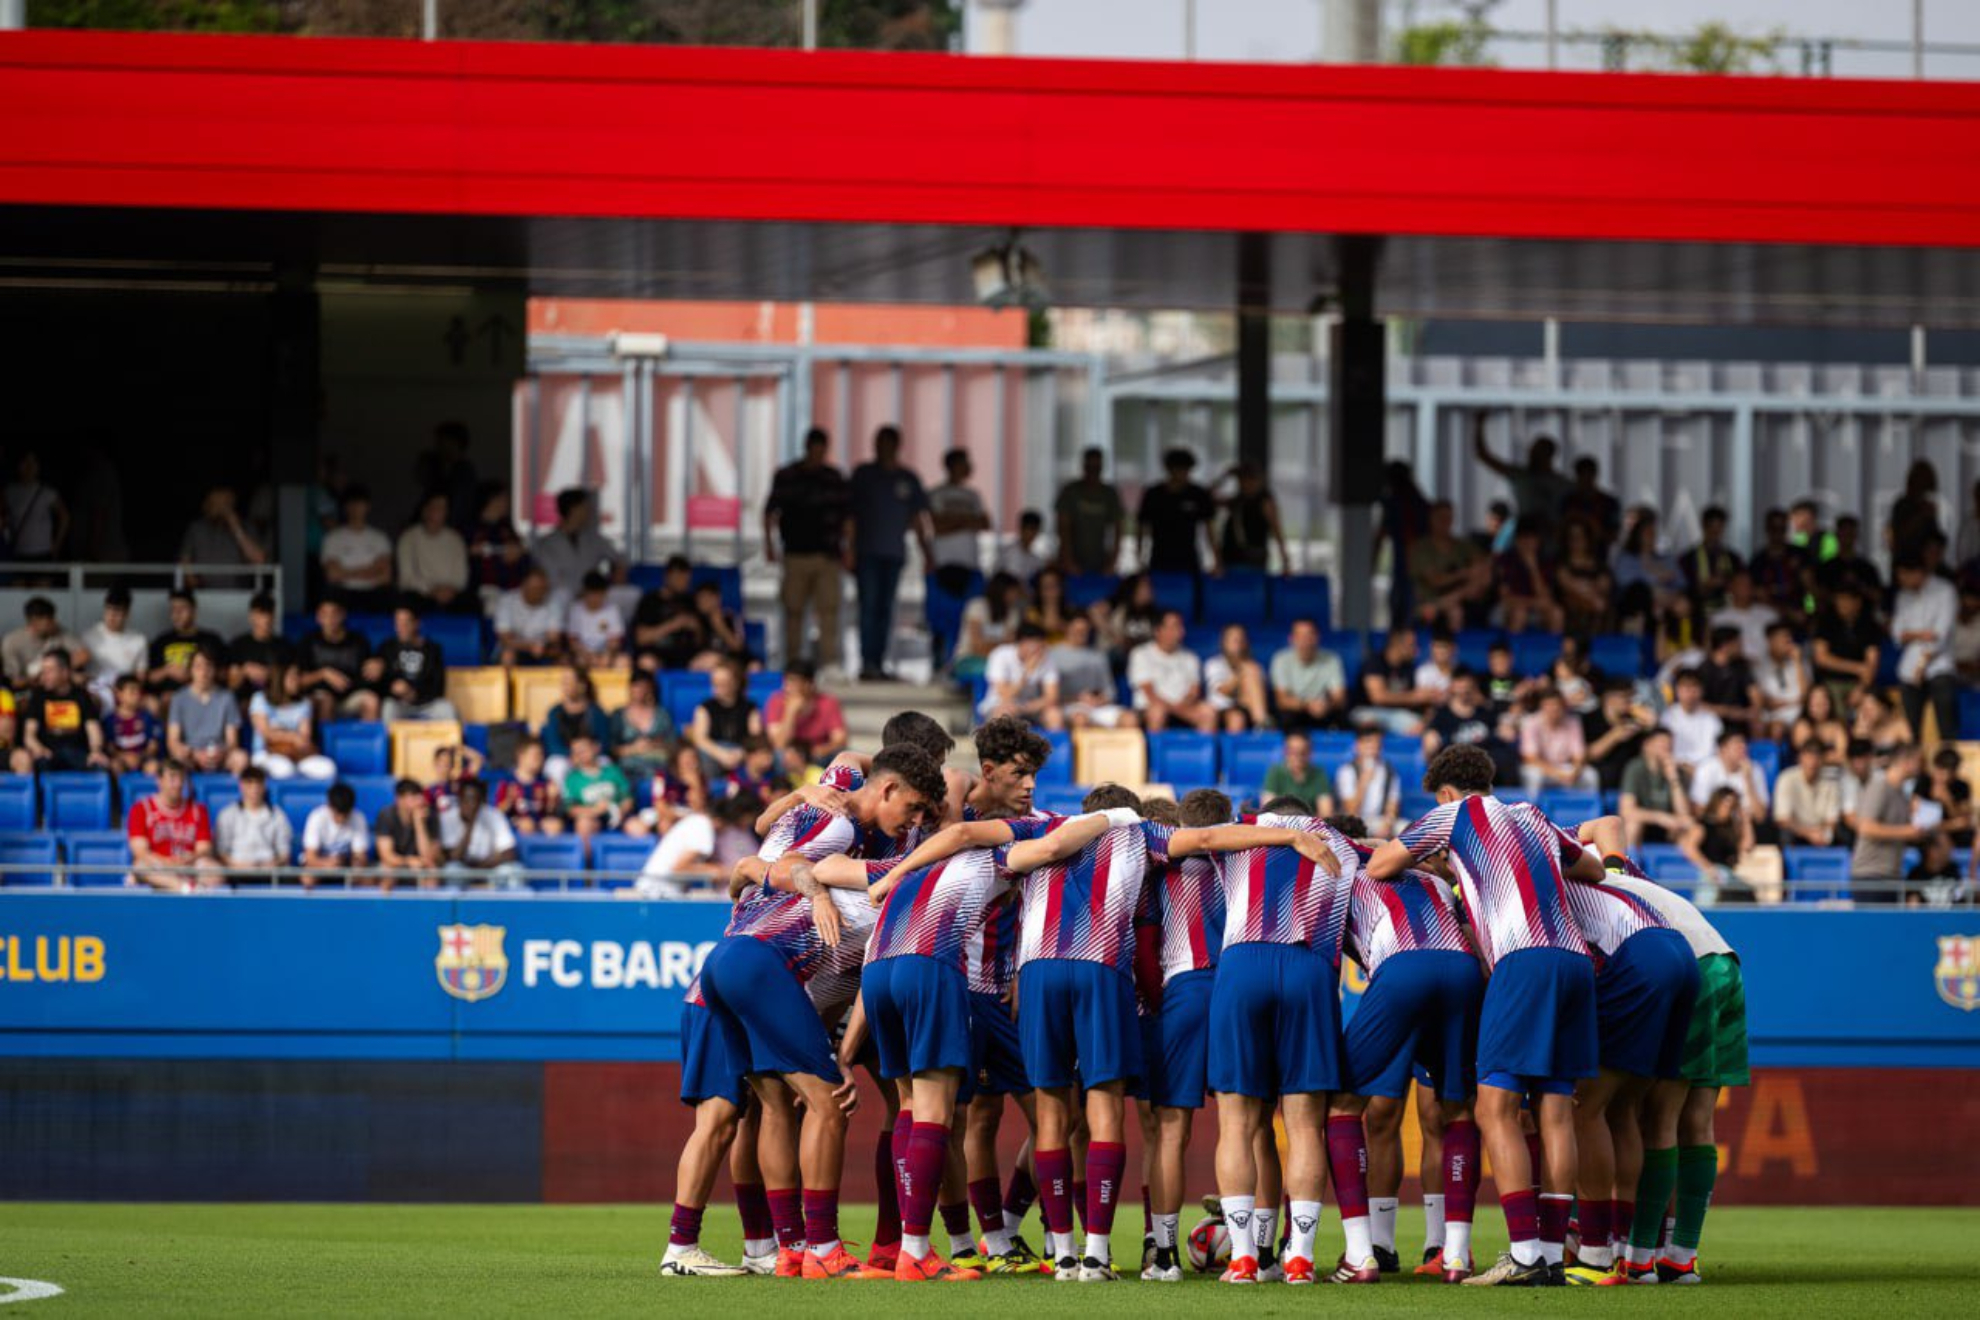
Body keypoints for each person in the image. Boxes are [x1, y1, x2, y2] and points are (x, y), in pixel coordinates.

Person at [669, 746, 941, 1280]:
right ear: (885, 788)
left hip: (731, 960)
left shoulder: (847, 828)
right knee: (821, 1105)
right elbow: (784, 864)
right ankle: (819, 1246)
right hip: (756, 962)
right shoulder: (854, 843)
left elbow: (757, 859)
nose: (915, 822)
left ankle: (783, 1248)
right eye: (912, 809)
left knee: (769, 1107)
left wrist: (835, 1053)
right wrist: (808, 887)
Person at [1365, 745, 1608, 1287]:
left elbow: (1381, 865)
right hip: (1573, 960)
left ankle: (1523, 1253)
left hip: (1520, 959)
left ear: (1447, 792)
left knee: (1493, 1107)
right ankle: (1547, 1251)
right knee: (1556, 1108)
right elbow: (1592, 869)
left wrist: (1442, 858)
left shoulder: (1452, 816)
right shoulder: (1532, 815)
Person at [1335, 852, 1485, 1283]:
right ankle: (1455, 1255)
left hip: (1400, 969)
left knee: (1344, 1104)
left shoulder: (1348, 881)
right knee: (1457, 1109)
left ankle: (1361, 1255)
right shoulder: (1434, 881)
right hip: (1461, 970)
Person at [1555, 845, 1700, 1285]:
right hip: (1680, 954)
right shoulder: (1582, 876)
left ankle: (1596, 1254)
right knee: (1624, 1111)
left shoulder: (1538, 890)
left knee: (1586, 1106)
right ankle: (1629, 1253)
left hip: (1639, 958)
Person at [846, 425, 933, 681]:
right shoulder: (863, 475)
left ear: (897, 446)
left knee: (886, 609)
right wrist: (849, 549)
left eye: (888, 443)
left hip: (893, 553)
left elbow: (918, 519)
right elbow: (850, 516)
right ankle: (867, 661)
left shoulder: (907, 478)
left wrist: (926, 552)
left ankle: (880, 661)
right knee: (868, 606)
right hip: (867, 552)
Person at [764, 427, 850, 671]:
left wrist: (849, 548)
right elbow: (770, 512)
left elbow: (848, 517)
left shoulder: (834, 478)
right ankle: (792, 662)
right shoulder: (787, 475)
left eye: (822, 451)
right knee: (793, 610)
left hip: (827, 555)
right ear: (807, 447)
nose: (818, 454)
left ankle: (830, 663)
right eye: (815, 450)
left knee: (829, 611)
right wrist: (769, 545)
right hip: (795, 554)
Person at [1891, 553, 1959, 743]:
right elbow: (1897, 634)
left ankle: (1948, 759)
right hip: (1909, 669)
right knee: (1911, 731)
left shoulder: (1945, 591)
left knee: (1946, 724)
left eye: (1904, 575)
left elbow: (1940, 635)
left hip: (1939, 665)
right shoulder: (1903, 596)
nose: (1901, 580)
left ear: (1918, 572)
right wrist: (1922, 634)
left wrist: (1921, 664)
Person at [127, 759, 223, 892]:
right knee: (140, 866)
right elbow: (140, 852)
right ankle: (184, 888)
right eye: (172, 778)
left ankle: (186, 888)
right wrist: (168, 862)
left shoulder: (197, 810)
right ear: (159, 781)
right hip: (158, 867)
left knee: (214, 870)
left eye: (181, 779)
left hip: (188, 867)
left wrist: (191, 857)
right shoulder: (141, 809)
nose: (178, 784)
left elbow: (204, 847)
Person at [1850, 744, 1927, 898]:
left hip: (1893, 874)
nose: (1923, 767)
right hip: (1870, 876)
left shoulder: (1903, 795)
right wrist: (1906, 831)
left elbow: (1909, 831)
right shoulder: (1879, 787)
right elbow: (1866, 827)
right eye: (1919, 761)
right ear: (1906, 762)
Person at [1470, 417, 1571, 525]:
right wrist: (1479, 424)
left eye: (1538, 453)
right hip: (1525, 532)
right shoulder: (1520, 476)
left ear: (1549, 456)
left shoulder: (1561, 483)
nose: (1533, 456)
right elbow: (1484, 455)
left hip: (1551, 532)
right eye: (1532, 452)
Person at [20, 650, 109, 772]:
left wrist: (96, 751)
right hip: (48, 753)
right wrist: (38, 748)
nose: (44, 676)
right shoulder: (38, 696)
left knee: (100, 767)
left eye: (49, 671)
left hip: (77, 753)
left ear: (65, 672)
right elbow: (29, 734)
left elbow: (93, 728)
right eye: (43, 671)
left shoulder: (81, 695)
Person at [530, 487, 625, 600]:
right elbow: (551, 581)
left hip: (592, 604)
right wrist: (577, 594)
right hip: (559, 605)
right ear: (573, 509)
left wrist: (617, 572)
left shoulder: (593, 539)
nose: (589, 512)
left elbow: (619, 558)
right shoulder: (547, 545)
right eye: (584, 507)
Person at [1128, 610, 1214, 734]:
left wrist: (1182, 707)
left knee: (1208, 711)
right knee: (1158, 712)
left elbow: (1194, 691)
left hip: (1183, 707)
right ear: (1158, 631)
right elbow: (1149, 693)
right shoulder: (1140, 654)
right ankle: (1155, 752)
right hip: (1151, 708)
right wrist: (1177, 710)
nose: (1180, 631)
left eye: (1180, 627)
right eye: (1174, 626)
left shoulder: (1190, 658)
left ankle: (1203, 752)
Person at [295, 598, 379, 724]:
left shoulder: (358, 641)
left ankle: (368, 742)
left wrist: (379, 665)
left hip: (350, 696)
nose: (329, 619)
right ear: (318, 617)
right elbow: (298, 681)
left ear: (342, 615)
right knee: (326, 699)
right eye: (325, 614)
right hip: (321, 697)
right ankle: (327, 742)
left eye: (334, 613)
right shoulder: (308, 642)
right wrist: (323, 674)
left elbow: (370, 673)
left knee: (371, 700)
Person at [1137, 448, 1219, 576]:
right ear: (1169, 469)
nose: (1184, 474)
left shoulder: (1198, 494)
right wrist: (1140, 560)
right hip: (1160, 558)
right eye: (1180, 469)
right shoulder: (1154, 494)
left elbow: (1210, 530)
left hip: (1189, 559)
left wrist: (1217, 560)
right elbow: (1142, 528)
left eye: (1187, 470)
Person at [247, 661, 335, 780]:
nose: (297, 680)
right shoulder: (260, 699)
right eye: (292, 677)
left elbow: (304, 736)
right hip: (265, 754)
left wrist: (280, 733)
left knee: (328, 769)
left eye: (297, 676)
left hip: (296, 756)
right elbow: (266, 733)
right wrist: (292, 737)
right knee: (285, 770)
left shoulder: (304, 703)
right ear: (280, 679)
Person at [166, 649, 245, 774]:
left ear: (214, 670)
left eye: (208, 666)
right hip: (191, 754)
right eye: (198, 666)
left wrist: (221, 752)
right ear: (190, 670)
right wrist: (194, 754)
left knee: (241, 758)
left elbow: (232, 741)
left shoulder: (227, 697)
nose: (203, 672)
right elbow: (172, 740)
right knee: (177, 758)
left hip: (219, 752)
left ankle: (233, 794)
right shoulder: (179, 698)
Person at [144, 589, 227, 703]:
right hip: (168, 698)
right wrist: (167, 670)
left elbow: (224, 674)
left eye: (182, 609)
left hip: (204, 695)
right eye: (173, 609)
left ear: (194, 611)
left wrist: (196, 673)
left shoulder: (211, 639)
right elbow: (149, 678)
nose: (177, 614)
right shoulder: (161, 641)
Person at [927, 447, 991, 594]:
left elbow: (985, 523)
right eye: (965, 463)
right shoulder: (936, 493)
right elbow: (938, 526)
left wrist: (952, 520)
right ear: (952, 466)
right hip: (944, 561)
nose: (969, 466)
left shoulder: (973, 495)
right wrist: (968, 521)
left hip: (970, 561)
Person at [1810, 581, 1883, 710]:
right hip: (1831, 682)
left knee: (1871, 703)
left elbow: (1871, 663)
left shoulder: (1870, 625)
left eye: (1847, 599)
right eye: (1839, 599)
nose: (1842, 604)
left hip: (1860, 682)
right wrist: (1856, 668)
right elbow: (1821, 658)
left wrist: (1861, 689)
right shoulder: (1826, 622)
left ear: (1858, 602)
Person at [1050, 614, 1132, 729]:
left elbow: (1110, 690)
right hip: (1069, 705)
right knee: (1081, 719)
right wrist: (1078, 698)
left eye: (1085, 630)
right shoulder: (1052, 655)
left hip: (1098, 706)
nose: (1081, 633)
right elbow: (1051, 695)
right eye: (1077, 630)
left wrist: (1101, 700)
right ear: (1067, 629)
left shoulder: (1098, 656)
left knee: (1129, 719)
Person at [631, 555, 710, 672]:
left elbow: (703, 641)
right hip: (657, 656)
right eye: (680, 579)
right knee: (646, 663)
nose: (684, 583)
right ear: (668, 576)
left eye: (687, 580)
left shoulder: (691, 601)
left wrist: (696, 627)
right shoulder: (650, 601)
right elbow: (641, 638)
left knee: (711, 661)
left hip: (689, 659)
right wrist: (674, 625)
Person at [439, 778, 523, 888]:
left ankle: (508, 905)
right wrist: (471, 824)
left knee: (515, 871)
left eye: (475, 800)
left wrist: (482, 867)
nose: (471, 804)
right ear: (459, 799)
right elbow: (454, 857)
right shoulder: (448, 817)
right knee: (452, 869)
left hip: (489, 868)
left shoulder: (494, 815)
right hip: (463, 870)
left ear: (481, 801)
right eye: (467, 799)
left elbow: (509, 853)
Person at [378, 605, 457, 723]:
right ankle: (387, 741)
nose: (401, 628)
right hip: (399, 704)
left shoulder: (432, 649)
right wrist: (394, 689)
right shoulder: (387, 648)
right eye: (398, 623)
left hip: (427, 703)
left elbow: (438, 686)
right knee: (388, 706)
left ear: (416, 623)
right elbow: (381, 684)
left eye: (406, 623)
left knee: (446, 708)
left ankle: (453, 741)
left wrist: (413, 693)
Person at [319, 486, 395, 608]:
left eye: (360, 504)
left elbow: (385, 576)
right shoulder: (333, 538)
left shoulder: (380, 538)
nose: (355, 508)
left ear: (367, 506)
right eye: (351, 504)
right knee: (330, 593)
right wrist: (370, 571)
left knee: (388, 593)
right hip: (343, 592)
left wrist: (347, 573)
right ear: (345, 507)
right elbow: (332, 575)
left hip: (373, 592)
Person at [1054, 446, 1124, 577]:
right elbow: (1063, 527)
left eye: (1096, 467)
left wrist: (1113, 561)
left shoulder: (1109, 494)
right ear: (1084, 466)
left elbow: (1118, 529)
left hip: (1101, 561)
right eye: (1090, 467)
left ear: (1101, 468)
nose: (1093, 471)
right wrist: (1068, 560)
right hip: (1072, 561)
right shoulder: (1071, 491)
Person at [396, 490, 470, 612]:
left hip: (450, 592)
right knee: (406, 600)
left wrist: (449, 590)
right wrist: (431, 590)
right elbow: (406, 577)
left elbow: (461, 576)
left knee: (470, 602)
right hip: (421, 593)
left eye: (443, 508)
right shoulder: (408, 538)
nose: (439, 512)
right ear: (425, 510)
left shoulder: (455, 539)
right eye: (435, 507)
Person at [179, 484, 267, 587]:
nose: (220, 508)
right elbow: (185, 559)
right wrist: (192, 580)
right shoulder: (196, 528)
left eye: (225, 504)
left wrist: (236, 528)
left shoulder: (246, 527)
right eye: (215, 503)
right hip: (203, 594)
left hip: (239, 594)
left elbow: (259, 560)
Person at [214, 766, 293, 879]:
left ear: (264, 786)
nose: (254, 788)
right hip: (235, 872)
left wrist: (274, 863)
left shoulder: (277, 815)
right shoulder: (227, 814)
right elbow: (221, 852)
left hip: (269, 873)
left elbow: (284, 853)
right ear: (241, 785)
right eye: (249, 783)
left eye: (258, 783)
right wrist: (236, 865)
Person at [1518, 687, 1597, 798]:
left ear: (1563, 706)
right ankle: (1532, 809)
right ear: (1542, 706)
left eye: (1557, 704)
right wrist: (1557, 774)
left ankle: (1587, 810)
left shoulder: (1573, 721)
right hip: (1541, 768)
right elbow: (1530, 758)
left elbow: (1579, 754)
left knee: (1590, 775)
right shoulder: (1530, 722)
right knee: (1534, 775)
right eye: (1549, 705)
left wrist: (1575, 771)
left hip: (1564, 767)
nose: (1553, 708)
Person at [763, 661, 848, 762]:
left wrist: (821, 750)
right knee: (779, 756)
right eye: (786, 681)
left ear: (809, 684)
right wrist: (790, 712)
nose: (787, 687)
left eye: (793, 682)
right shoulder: (776, 701)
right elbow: (778, 744)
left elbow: (840, 739)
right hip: (789, 755)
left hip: (818, 754)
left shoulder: (828, 702)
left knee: (842, 757)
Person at [1353, 629, 1432, 737]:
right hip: (1367, 710)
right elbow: (1378, 697)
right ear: (1397, 644)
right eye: (1412, 645)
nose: (1416, 649)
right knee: (1368, 723)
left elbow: (1419, 698)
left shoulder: (1409, 667)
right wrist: (1415, 697)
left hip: (1398, 713)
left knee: (1419, 726)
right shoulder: (1375, 662)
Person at [1214, 461, 1289, 573]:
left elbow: (1276, 529)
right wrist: (1224, 477)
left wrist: (1285, 560)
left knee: (1249, 586)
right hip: (1231, 555)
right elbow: (1208, 498)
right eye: (1242, 480)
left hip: (1252, 557)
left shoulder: (1264, 501)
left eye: (1250, 480)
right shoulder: (1238, 501)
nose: (1246, 484)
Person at [690, 661, 762, 776]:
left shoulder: (750, 708)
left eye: (723, 683)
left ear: (736, 683)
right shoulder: (704, 708)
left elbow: (755, 737)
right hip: (714, 753)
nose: (717, 688)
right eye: (715, 683)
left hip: (741, 752)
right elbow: (700, 739)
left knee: (758, 755)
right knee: (703, 755)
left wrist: (741, 753)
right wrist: (721, 754)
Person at [80, 586, 147, 709]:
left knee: (152, 704)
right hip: (98, 688)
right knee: (92, 701)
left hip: (126, 690)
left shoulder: (138, 639)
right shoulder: (89, 636)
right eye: (108, 610)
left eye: (117, 612)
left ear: (127, 613)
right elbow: (81, 672)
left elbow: (140, 676)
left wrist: (124, 691)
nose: (111, 616)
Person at [1494, 520, 1563, 634]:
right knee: (1520, 613)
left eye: (1532, 539)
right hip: (1507, 609)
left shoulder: (1546, 563)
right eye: (1524, 539)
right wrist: (1534, 603)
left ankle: (1552, 650)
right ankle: (1512, 649)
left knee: (1557, 613)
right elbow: (1505, 598)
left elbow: (1546, 597)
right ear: (1516, 540)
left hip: (1536, 608)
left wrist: (1533, 568)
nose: (1527, 543)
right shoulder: (1505, 561)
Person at [301, 781, 374, 888]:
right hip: (320, 865)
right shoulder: (316, 817)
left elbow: (360, 855)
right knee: (307, 878)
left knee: (369, 880)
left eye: (346, 814)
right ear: (330, 806)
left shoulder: (358, 818)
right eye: (338, 814)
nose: (342, 819)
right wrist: (327, 864)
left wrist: (357, 865)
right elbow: (310, 857)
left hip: (346, 867)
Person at [1, 596, 87, 688]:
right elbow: (13, 681)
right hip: (26, 688)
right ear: (34, 621)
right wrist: (40, 677)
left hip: (56, 685)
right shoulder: (12, 641)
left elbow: (84, 655)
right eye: (49, 620)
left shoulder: (58, 632)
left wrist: (59, 670)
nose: (54, 623)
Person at [492, 563, 567, 667]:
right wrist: (530, 646)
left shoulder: (553, 603)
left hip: (543, 650)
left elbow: (553, 638)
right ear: (524, 586)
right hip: (515, 649)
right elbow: (505, 639)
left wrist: (542, 646)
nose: (539, 592)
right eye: (535, 588)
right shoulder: (507, 601)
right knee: (507, 656)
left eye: (542, 588)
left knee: (563, 658)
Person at [1773, 740, 1843, 848]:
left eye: (1817, 757)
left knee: (1842, 833)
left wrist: (1826, 835)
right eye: (1808, 757)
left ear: (1823, 760)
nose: (1812, 762)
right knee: (1785, 833)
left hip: (1821, 832)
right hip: (1797, 832)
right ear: (1800, 758)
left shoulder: (1830, 781)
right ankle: (1787, 864)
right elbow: (1783, 819)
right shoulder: (1786, 778)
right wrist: (1809, 834)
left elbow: (1832, 820)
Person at [954, 572, 1025, 678]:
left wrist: (989, 645)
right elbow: (976, 646)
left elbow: (1011, 644)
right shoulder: (977, 606)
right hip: (969, 658)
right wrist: (1001, 644)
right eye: (1013, 591)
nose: (1016, 596)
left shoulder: (1013, 613)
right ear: (1002, 591)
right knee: (997, 670)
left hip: (1001, 660)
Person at [2, 449, 68, 563]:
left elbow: (65, 517)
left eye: (33, 463)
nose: (29, 467)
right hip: (18, 551)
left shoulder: (47, 492)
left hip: (42, 550)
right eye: (25, 462)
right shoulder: (9, 492)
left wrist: (56, 544)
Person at [608, 670, 676, 781]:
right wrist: (633, 749)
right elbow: (611, 748)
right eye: (636, 686)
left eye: (644, 687)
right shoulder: (618, 715)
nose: (640, 690)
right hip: (628, 768)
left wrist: (653, 745)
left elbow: (672, 744)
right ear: (630, 688)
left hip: (656, 765)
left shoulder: (661, 714)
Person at [1335, 724, 1401, 839]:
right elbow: (1351, 810)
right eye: (1368, 742)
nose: (1373, 747)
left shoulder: (1389, 771)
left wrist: (1388, 824)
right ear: (1357, 746)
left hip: (1380, 821)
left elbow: (1392, 805)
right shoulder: (1347, 771)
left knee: (1407, 828)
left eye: (1377, 743)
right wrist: (1363, 782)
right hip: (1355, 821)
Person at [374, 778, 444, 886]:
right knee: (387, 872)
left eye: (419, 796)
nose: (419, 802)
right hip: (396, 863)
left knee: (432, 873)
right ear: (399, 800)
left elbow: (429, 858)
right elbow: (387, 856)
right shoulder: (386, 815)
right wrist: (408, 861)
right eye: (413, 797)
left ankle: (426, 903)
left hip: (419, 865)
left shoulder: (431, 816)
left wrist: (419, 824)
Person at [465, 482, 527, 603]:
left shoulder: (507, 528)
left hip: (513, 590)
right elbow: (468, 555)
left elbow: (522, 552)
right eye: (503, 498)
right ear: (491, 500)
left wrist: (518, 553)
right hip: (482, 592)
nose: (506, 503)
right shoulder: (471, 528)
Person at [227, 593, 291, 706]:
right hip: (245, 700)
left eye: (269, 614)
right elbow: (231, 684)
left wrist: (271, 674)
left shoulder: (284, 646)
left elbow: (291, 683)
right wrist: (245, 671)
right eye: (261, 614)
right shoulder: (238, 644)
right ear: (252, 616)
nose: (266, 619)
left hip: (275, 700)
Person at [1203, 624, 1270, 732]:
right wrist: (1241, 674)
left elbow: (1260, 696)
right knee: (1236, 718)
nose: (1238, 643)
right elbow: (1223, 691)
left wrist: (1246, 669)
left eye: (1241, 639)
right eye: (1233, 639)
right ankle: (1262, 724)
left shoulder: (1255, 666)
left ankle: (1262, 724)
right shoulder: (1214, 663)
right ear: (1224, 642)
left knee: (1238, 716)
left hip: (1247, 709)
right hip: (1220, 709)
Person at [1678, 505, 1742, 612]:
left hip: (1728, 612)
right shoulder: (1688, 559)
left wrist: (1727, 584)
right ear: (1704, 527)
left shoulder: (1733, 559)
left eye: (1719, 528)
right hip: (1697, 612)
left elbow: (1741, 583)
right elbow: (1682, 590)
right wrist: (1705, 586)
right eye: (1711, 527)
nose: (1715, 533)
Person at [1658, 670, 1722, 775]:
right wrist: (1684, 767)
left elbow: (1718, 752)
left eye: (1695, 688)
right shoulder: (1667, 717)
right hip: (1676, 770)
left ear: (1702, 691)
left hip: (1706, 772)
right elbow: (1663, 751)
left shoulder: (1712, 719)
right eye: (1686, 688)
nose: (1690, 693)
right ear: (1677, 690)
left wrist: (1700, 771)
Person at [496, 736, 564, 835]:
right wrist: (509, 800)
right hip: (515, 823)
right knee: (526, 825)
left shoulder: (545, 782)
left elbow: (549, 812)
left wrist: (552, 799)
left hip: (538, 823)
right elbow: (498, 811)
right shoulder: (507, 782)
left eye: (541, 755)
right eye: (535, 755)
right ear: (521, 756)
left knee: (556, 826)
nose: (540, 759)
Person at [1707, 571, 1776, 665]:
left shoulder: (1769, 614)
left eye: (1748, 584)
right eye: (1741, 584)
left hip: (1769, 667)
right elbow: (1715, 652)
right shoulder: (1719, 618)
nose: (1745, 588)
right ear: (1730, 588)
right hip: (1735, 669)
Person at [564, 571, 627, 669]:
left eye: (599, 594)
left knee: (622, 662)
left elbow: (615, 641)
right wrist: (587, 655)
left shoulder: (612, 610)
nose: (595, 598)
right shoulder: (576, 609)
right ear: (585, 592)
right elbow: (573, 641)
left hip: (605, 652)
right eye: (592, 594)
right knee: (579, 661)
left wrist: (605, 655)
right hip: (582, 653)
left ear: (604, 594)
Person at [103, 674, 162, 773]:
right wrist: (123, 757)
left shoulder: (147, 717)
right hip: (121, 760)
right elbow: (110, 747)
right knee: (114, 766)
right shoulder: (109, 720)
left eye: (138, 691)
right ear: (119, 694)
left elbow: (153, 746)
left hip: (143, 760)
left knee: (154, 767)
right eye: (132, 691)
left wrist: (139, 757)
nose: (137, 695)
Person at [1262, 729, 1332, 811]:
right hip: (1280, 822)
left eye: (1303, 752)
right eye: (1293, 751)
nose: (1298, 756)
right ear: (1285, 751)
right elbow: (1267, 810)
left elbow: (1326, 812)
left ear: (1310, 752)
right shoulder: (1274, 773)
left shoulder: (1319, 774)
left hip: (1310, 822)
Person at [995, 509, 1048, 583]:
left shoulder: (1035, 558)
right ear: (1021, 529)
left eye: (1035, 529)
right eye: (1030, 529)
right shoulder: (1010, 552)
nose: (1032, 533)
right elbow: (1013, 582)